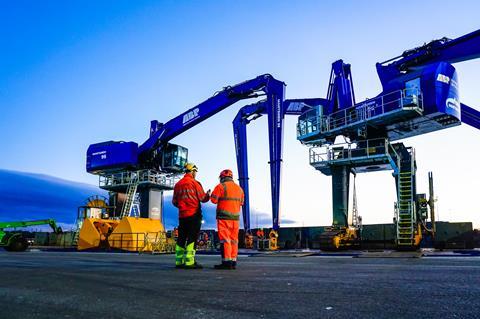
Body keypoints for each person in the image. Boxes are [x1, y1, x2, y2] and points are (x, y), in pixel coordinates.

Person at [172, 163, 210, 269]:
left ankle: (179, 261)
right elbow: (202, 198)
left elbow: (174, 202)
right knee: (192, 238)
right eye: (195, 172)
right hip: (193, 215)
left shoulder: (178, 184)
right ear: (193, 171)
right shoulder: (195, 183)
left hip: (182, 216)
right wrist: (208, 195)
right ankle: (189, 262)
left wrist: (182, 206)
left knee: (181, 238)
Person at [210, 169, 244, 270]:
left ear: (222, 177)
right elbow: (241, 202)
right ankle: (233, 262)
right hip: (236, 219)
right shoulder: (240, 189)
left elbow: (213, 200)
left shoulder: (221, 186)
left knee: (225, 240)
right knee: (234, 240)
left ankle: (226, 262)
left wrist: (210, 194)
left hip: (224, 218)